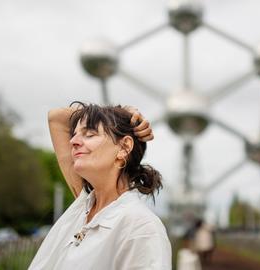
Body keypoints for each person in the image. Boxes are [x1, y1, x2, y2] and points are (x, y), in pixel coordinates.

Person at [29, 102, 171, 270]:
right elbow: (56, 117)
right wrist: (123, 112)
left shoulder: (142, 227)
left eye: (89, 134)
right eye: (74, 134)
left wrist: (115, 116)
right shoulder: (83, 206)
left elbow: (56, 118)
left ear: (124, 147)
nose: (73, 141)